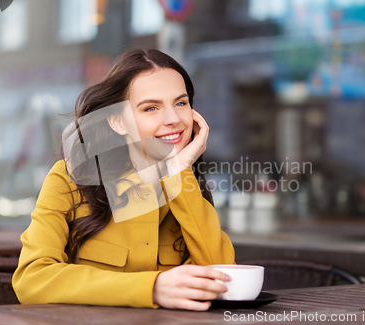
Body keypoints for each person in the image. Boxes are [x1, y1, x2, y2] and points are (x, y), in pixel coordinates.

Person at [12, 48, 236, 311]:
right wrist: (151, 289)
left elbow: (223, 279)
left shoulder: (187, 185)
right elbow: (32, 279)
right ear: (118, 122)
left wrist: (178, 172)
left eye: (181, 103)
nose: (173, 119)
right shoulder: (69, 178)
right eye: (151, 108)